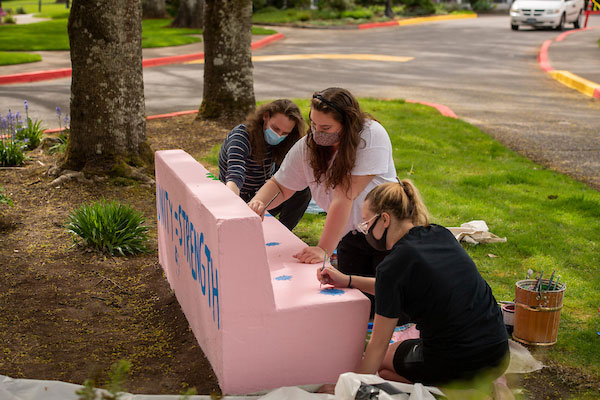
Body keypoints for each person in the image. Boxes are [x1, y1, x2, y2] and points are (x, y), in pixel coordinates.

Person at [317, 180, 509, 387]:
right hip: (498, 352)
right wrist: (349, 281)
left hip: (461, 361)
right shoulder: (440, 234)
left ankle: (459, 389)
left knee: (381, 367)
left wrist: (348, 388)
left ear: (385, 219)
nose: (365, 231)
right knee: (396, 356)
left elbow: (379, 344)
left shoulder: (394, 265)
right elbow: (396, 287)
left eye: (366, 224)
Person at [248, 88, 397, 280]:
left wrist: (324, 248)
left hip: (387, 234)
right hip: (350, 237)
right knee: (354, 298)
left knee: (384, 297)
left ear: (347, 123)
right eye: (313, 123)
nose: (317, 132)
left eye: (326, 128)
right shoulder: (307, 146)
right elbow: (280, 185)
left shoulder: (370, 135)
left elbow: (344, 196)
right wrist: (258, 203)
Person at [218, 99, 311, 230]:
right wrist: (233, 204)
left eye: (285, 133)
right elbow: (235, 173)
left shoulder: (285, 142)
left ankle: (283, 231)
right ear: (265, 117)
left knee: (302, 189)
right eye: (275, 128)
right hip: (239, 195)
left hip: (262, 196)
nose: (278, 135)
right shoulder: (242, 136)